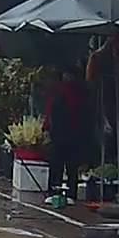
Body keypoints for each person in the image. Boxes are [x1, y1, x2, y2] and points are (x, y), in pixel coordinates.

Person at [45, 66, 91, 196]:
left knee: (57, 165)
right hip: (74, 134)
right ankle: (71, 192)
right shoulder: (81, 93)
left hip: (59, 134)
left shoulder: (57, 91)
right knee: (72, 167)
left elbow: (49, 112)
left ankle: (55, 191)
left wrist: (47, 128)